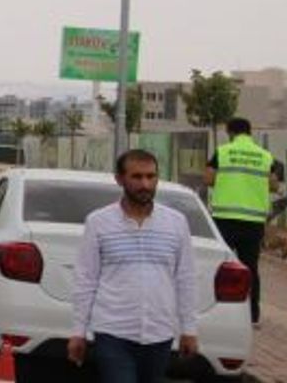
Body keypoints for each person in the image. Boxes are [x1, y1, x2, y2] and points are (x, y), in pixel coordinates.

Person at [68, 149, 198, 383]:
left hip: (160, 334)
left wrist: (189, 329)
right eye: (137, 177)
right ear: (120, 179)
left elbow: (185, 279)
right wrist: (78, 332)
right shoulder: (99, 222)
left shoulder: (176, 223)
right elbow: (86, 279)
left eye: (151, 176)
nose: (145, 184)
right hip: (113, 332)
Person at [205, 117, 280, 326]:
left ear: (230, 132)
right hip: (253, 221)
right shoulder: (265, 156)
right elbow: (274, 185)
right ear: (250, 132)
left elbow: (208, 179)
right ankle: (252, 315)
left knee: (221, 265)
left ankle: (217, 312)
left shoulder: (223, 152)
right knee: (250, 267)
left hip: (224, 219)